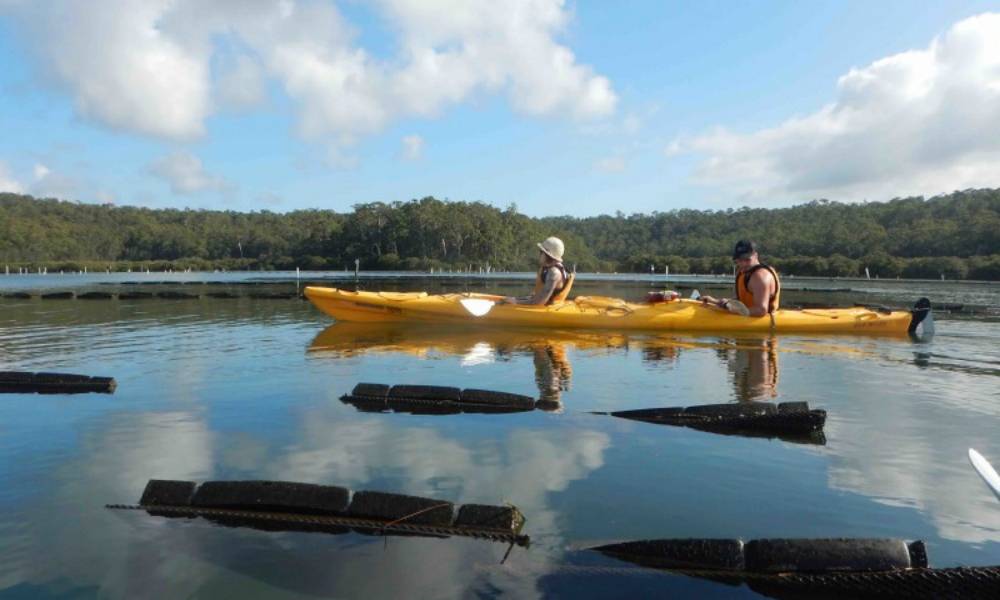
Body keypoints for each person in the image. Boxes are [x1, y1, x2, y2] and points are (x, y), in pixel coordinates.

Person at [701, 240, 781, 318]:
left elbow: (761, 310)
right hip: (747, 316)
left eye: (747, 259)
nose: (743, 263)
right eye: (739, 260)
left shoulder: (760, 276)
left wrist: (734, 309)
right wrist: (715, 301)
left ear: (756, 256)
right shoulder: (744, 272)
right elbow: (742, 300)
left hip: (765, 323)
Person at [503, 236, 574, 305]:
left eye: (541, 252)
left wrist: (516, 302)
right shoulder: (549, 268)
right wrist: (516, 299)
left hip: (548, 310)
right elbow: (537, 296)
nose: (539, 254)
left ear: (548, 255)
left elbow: (540, 301)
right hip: (548, 307)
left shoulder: (554, 273)